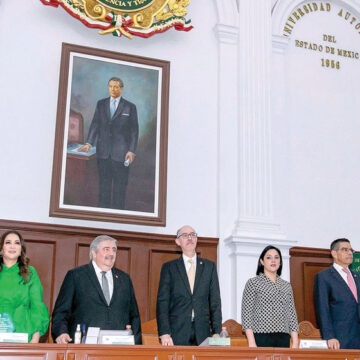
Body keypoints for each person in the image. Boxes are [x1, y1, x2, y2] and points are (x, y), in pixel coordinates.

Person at [51, 235, 141, 344]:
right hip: (85, 347)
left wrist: (136, 345)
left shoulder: (124, 279)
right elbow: (61, 312)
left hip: (119, 348)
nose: (111, 254)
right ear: (94, 253)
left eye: (114, 250)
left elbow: (134, 316)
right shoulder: (76, 276)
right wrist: (61, 333)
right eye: (106, 249)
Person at [78, 77, 139, 210]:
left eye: (116, 87)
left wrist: (131, 151)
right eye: (111, 86)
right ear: (108, 87)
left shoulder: (130, 107)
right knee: (104, 189)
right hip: (103, 153)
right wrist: (89, 142)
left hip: (122, 154)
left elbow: (134, 131)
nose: (113, 89)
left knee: (119, 190)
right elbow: (95, 124)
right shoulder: (101, 104)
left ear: (121, 89)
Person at [156, 225, 222, 346]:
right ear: (177, 242)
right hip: (177, 332)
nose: (190, 238)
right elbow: (162, 303)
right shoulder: (169, 267)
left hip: (203, 332)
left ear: (196, 239)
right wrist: (164, 332)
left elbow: (215, 302)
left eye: (193, 235)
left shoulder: (209, 267)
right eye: (185, 236)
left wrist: (217, 331)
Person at [241, 245, 299, 348]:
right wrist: (251, 342)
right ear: (262, 261)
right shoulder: (253, 283)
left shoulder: (286, 285)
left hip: (283, 337)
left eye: (276, 257)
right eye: (268, 257)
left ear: (280, 262)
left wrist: (295, 343)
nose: (273, 260)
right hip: (261, 336)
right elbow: (247, 314)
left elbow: (292, 315)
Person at [0, 230, 49, 343]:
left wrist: (35, 338)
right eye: (8, 242)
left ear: (21, 249)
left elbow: (37, 306)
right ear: (1, 248)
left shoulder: (30, 273)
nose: (12, 246)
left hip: (22, 336)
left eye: (17, 243)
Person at [314, 238, 360, 349]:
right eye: (345, 249)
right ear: (334, 253)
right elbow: (322, 309)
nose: (350, 253)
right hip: (340, 338)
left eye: (351, 250)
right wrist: (329, 336)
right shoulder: (324, 277)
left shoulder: (357, 276)